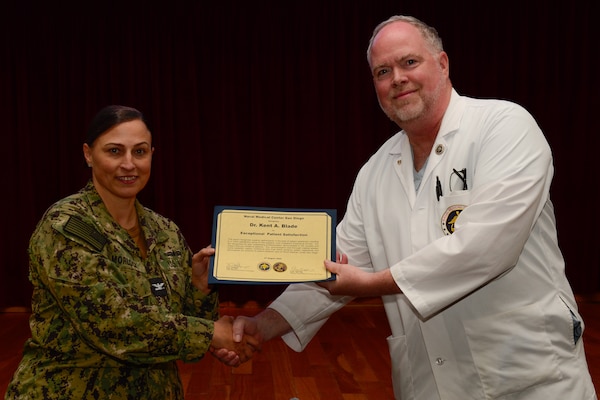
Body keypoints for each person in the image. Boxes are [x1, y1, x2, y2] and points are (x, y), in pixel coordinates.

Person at [221, 15, 598, 400]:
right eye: (383, 71)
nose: (397, 78)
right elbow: (337, 264)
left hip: (528, 379)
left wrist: (370, 284)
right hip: (430, 383)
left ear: (443, 64)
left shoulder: (504, 127)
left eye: (409, 62)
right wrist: (263, 325)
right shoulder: (375, 171)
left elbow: (487, 249)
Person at [5, 105, 256, 399]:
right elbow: (113, 325)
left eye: (140, 152)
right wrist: (212, 334)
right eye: (114, 151)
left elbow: (180, 334)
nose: (129, 164)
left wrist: (199, 290)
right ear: (88, 154)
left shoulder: (166, 231)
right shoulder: (65, 226)